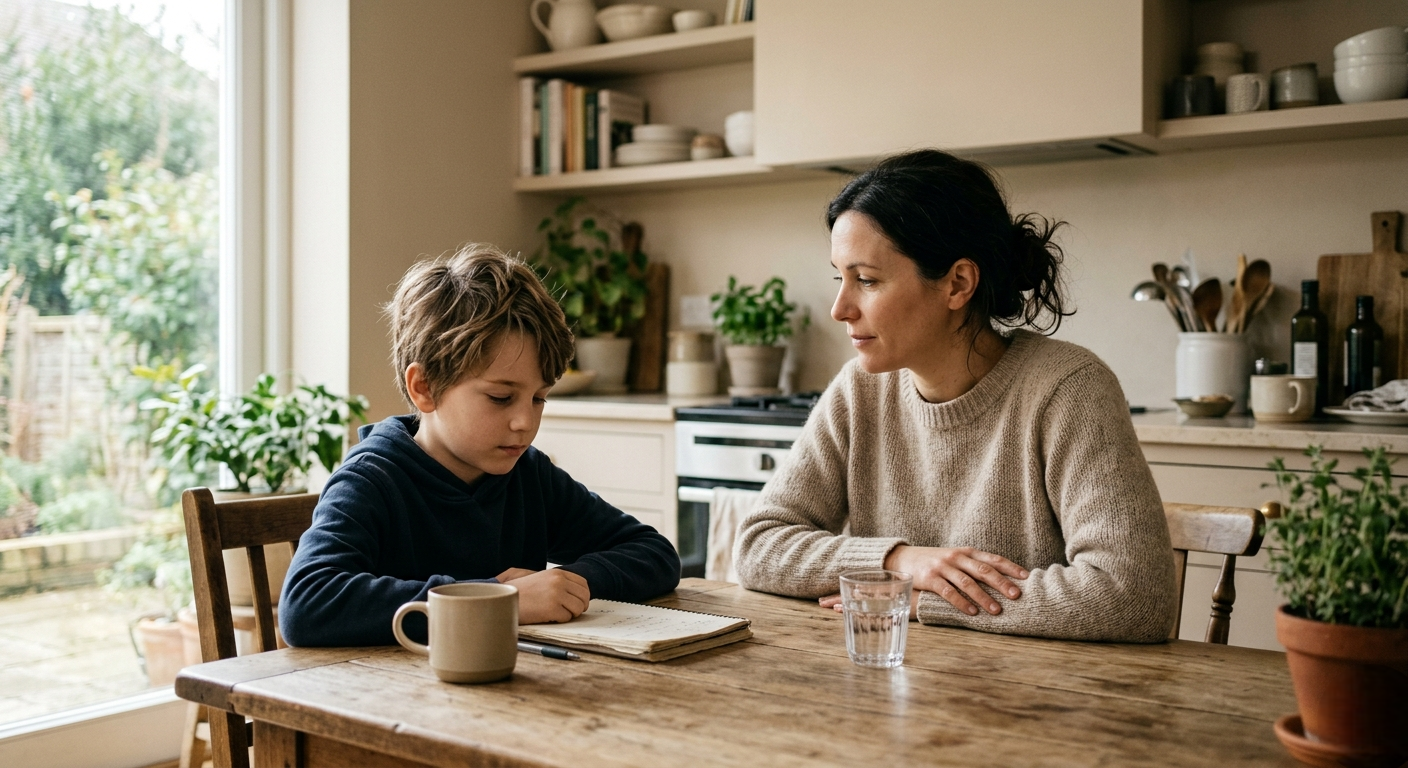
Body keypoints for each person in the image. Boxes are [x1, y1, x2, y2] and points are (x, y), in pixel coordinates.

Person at [733, 149, 1177, 643]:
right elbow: (758, 546)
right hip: (894, 679)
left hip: (1036, 685)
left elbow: (1133, 596)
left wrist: (927, 598)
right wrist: (899, 561)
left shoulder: (1069, 389)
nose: (840, 308)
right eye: (841, 278)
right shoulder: (859, 389)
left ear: (957, 283)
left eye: (867, 280)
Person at [280, 244, 680, 647]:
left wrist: (566, 584)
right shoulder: (371, 479)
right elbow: (306, 605)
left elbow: (654, 553)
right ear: (425, 388)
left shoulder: (529, 476)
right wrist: (496, 598)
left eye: (538, 398)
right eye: (500, 398)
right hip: (387, 687)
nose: (525, 422)